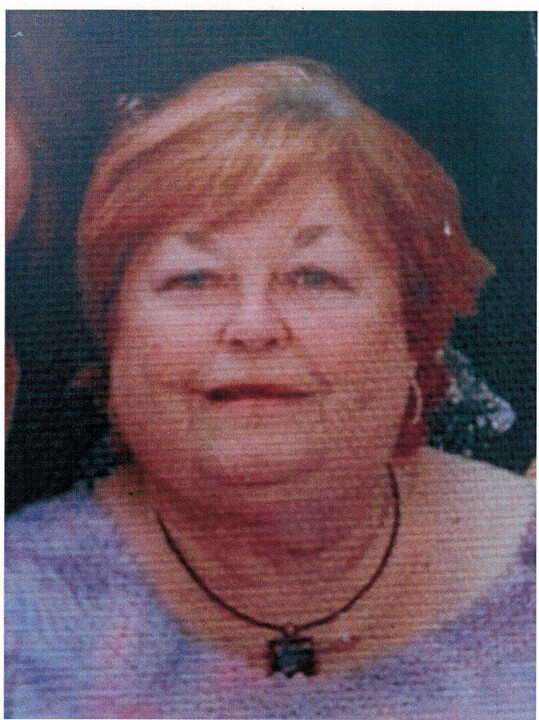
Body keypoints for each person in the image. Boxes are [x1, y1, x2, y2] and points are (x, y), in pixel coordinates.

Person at [5, 58, 534, 719]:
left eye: (314, 277)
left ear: (414, 330)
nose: (253, 328)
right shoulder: (19, 597)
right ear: (115, 335)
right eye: (195, 279)